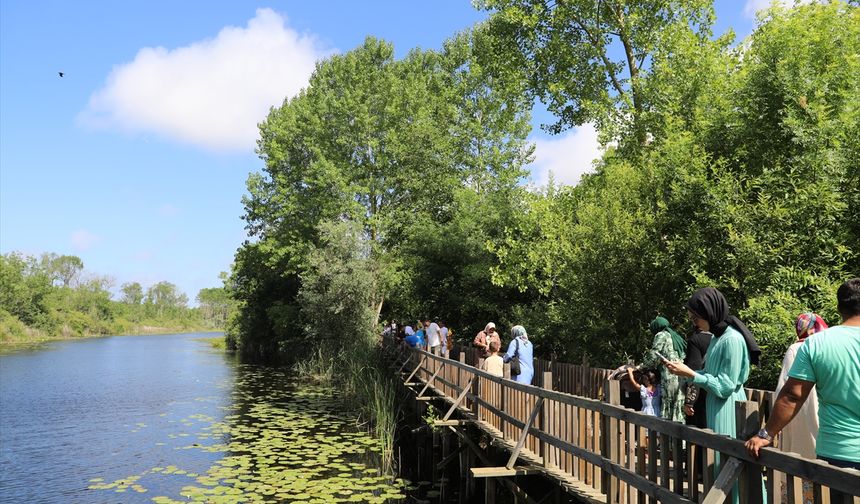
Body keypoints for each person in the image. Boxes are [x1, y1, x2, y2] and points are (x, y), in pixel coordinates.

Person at [745, 279, 860, 503]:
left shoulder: (817, 343)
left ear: (838, 308)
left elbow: (792, 396)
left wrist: (766, 434)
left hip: (837, 454)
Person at [666, 287, 761, 504]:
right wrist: (685, 372)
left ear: (710, 312)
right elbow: (711, 375)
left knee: (728, 465)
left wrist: (692, 374)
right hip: (715, 407)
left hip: (728, 408)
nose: (694, 322)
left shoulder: (731, 340)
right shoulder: (718, 338)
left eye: (696, 317)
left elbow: (726, 386)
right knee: (719, 466)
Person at [773, 312, 828, 504]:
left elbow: (783, 389)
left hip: (798, 417)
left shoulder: (796, 349)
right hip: (824, 417)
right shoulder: (828, 347)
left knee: (799, 466)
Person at [641, 316, 686, 422]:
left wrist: (641, 366)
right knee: (678, 406)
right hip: (682, 375)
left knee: (668, 406)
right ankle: (680, 435)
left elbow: (653, 356)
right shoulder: (676, 336)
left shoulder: (661, 335)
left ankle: (669, 436)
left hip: (669, 376)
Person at [684, 329, 713, 429]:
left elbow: (693, 372)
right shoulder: (720, 339)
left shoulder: (695, 340)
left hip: (702, 393)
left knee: (700, 432)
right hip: (717, 393)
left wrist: (689, 402)